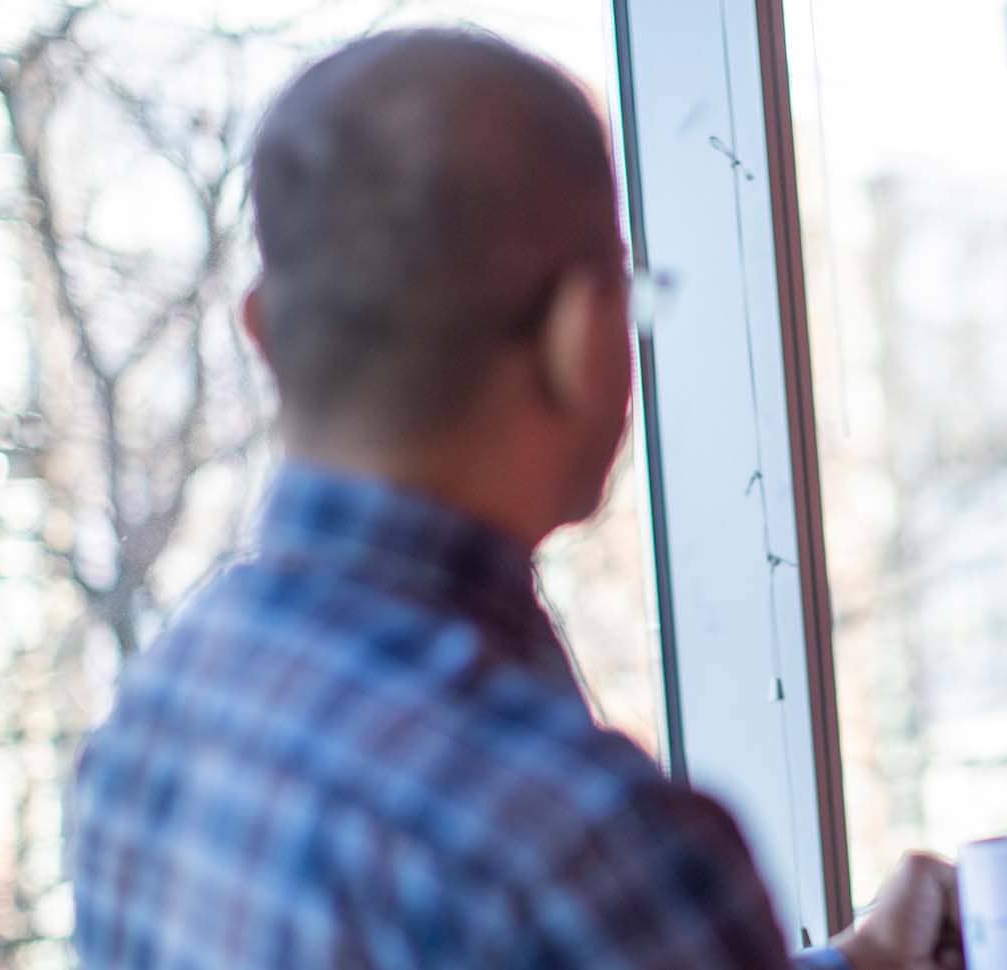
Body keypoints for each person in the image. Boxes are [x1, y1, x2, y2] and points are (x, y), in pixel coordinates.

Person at [70, 28, 960, 969]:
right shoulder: (581, 850)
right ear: (584, 334)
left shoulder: (146, 727)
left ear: (264, 335)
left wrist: (863, 960)